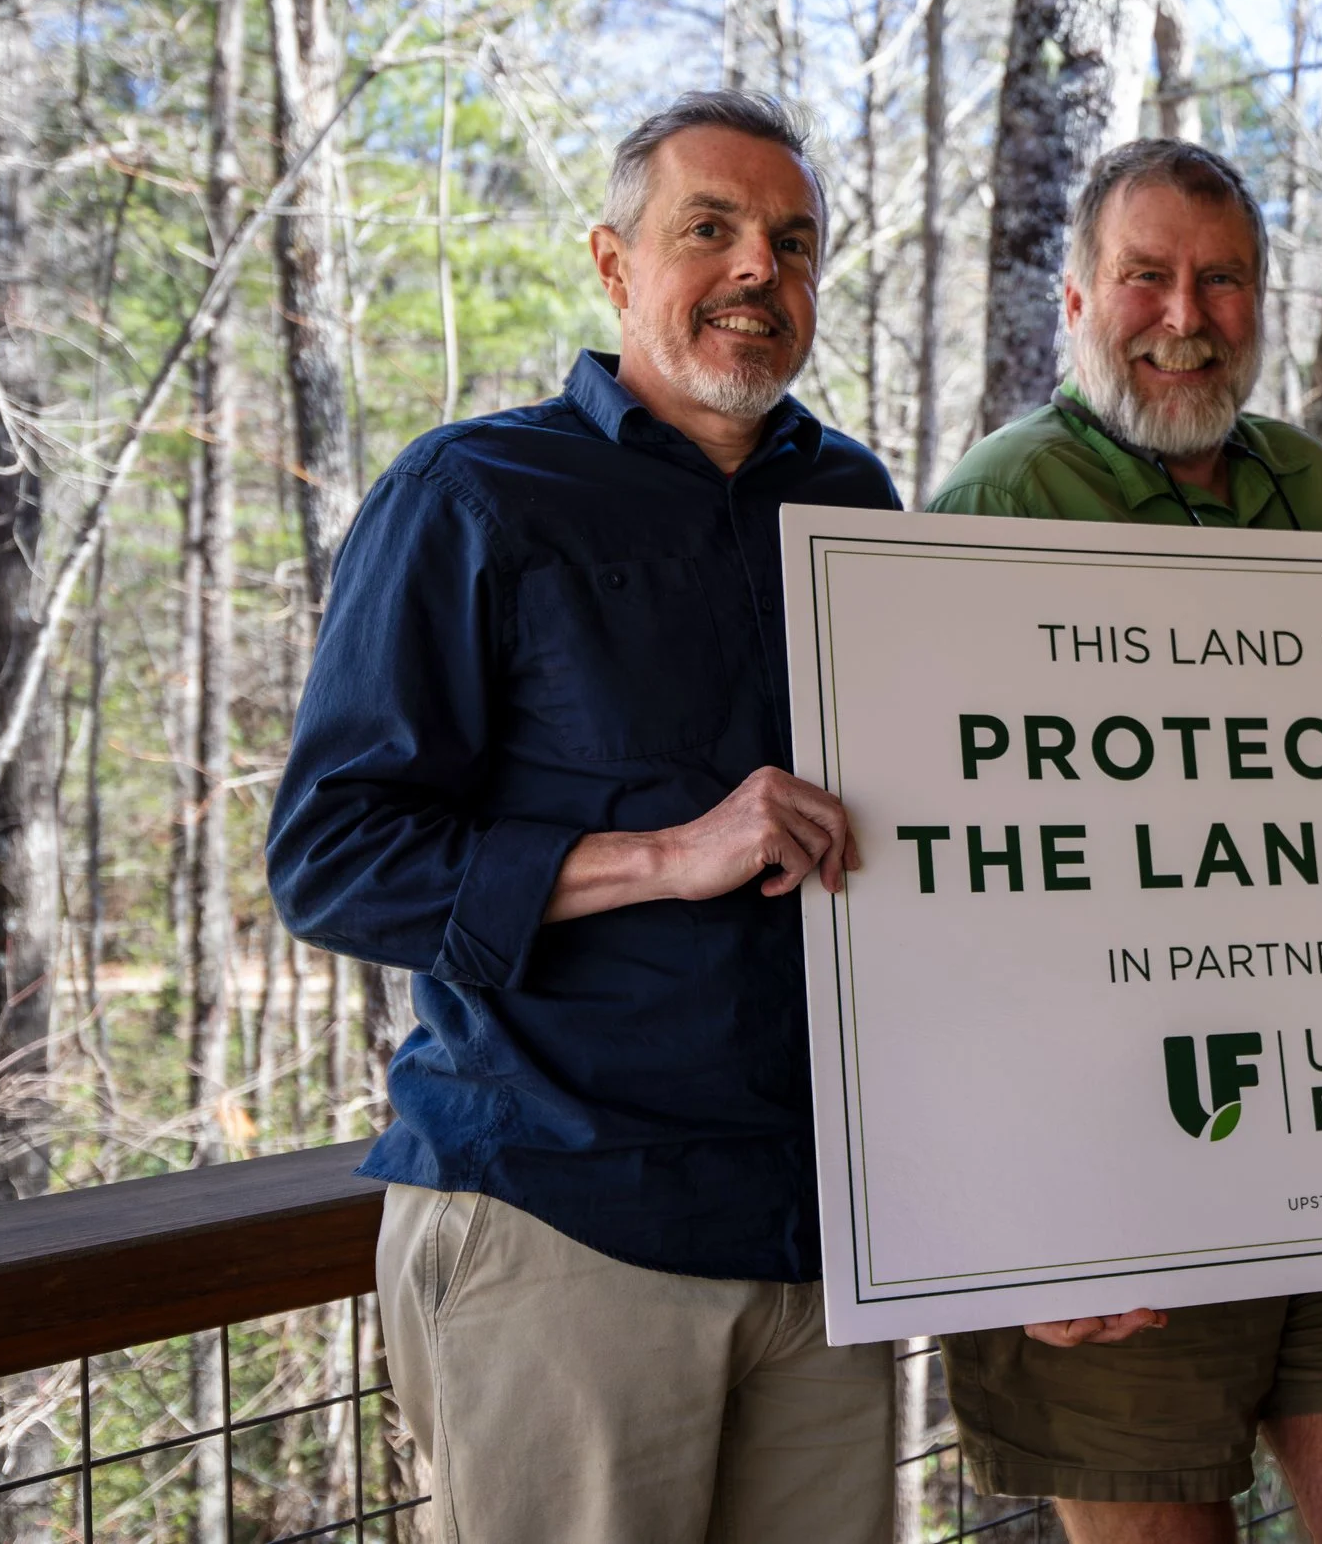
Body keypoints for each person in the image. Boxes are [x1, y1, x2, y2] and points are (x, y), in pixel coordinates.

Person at [267, 92, 901, 1544]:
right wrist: (672, 857)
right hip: (564, 1218)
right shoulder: (475, 492)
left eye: (793, 243)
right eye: (710, 229)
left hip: (819, 1240)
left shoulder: (852, 499)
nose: (759, 268)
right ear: (614, 266)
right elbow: (331, 857)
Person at [927, 139, 1322, 1544]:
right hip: (1099, 1181)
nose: (1186, 315)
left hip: (1311, 1134)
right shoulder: (996, 503)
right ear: (1075, 302)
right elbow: (938, 899)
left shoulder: (1309, 483)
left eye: (1223, 280)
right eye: (1147, 277)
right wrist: (999, 1210)